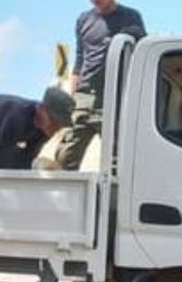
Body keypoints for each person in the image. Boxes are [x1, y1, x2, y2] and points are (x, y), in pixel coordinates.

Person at [55, 0, 146, 170]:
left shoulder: (131, 17)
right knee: (66, 154)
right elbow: (80, 59)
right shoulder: (84, 19)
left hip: (114, 96)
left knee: (117, 158)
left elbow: (141, 54)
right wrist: (72, 97)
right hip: (84, 96)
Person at [0, 87, 74, 169]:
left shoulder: (42, 132)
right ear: (41, 109)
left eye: (60, 125)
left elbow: (28, 160)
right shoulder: (17, 114)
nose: (55, 128)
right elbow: (2, 156)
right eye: (53, 120)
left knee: (21, 165)